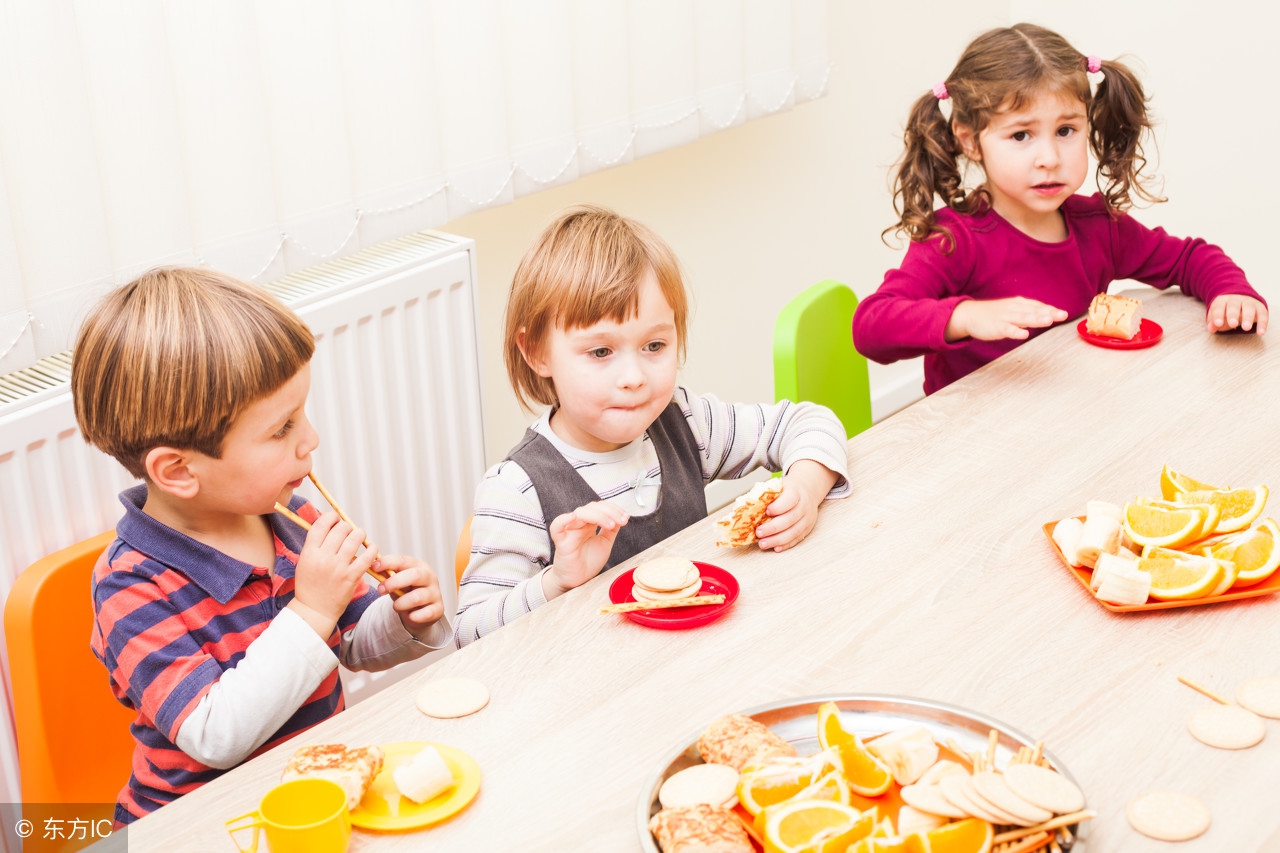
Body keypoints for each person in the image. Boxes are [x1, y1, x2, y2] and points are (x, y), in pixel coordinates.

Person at [71, 268, 451, 824]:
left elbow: (349, 644)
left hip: (310, 802)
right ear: (177, 470)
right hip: (195, 826)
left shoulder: (290, 516)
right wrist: (313, 607)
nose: (311, 439)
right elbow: (216, 734)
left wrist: (405, 621)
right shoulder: (129, 586)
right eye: (282, 429)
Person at [454, 206, 851, 647]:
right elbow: (470, 635)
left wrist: (806, 489)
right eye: (601, 352)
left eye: (654, 345)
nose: (634, 377)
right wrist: (556, 582)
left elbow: (808, 420)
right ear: (537, 353)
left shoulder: (685, 422)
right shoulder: (517, 490)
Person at [852, 23, 1268, 395]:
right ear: (970, 140)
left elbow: (1189, 258)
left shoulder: (1098, 226)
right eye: (1020, 136)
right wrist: (964, 316)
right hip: (971, 442)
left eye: (1066, 130)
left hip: (1069, 420)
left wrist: (1231, 293)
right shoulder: (953, 240)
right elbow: (872, 328)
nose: (1049, 157)